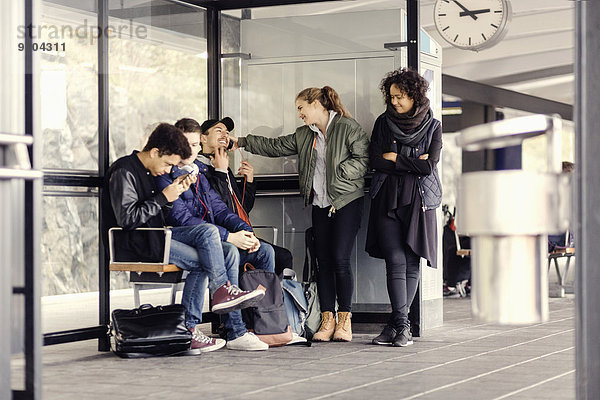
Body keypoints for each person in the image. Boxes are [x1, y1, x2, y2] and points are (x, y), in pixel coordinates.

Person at [101, 123, 266, 354]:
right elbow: (128, 219)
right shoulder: (124, 171)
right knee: (204, 255)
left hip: (158, 234)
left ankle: (224, 310)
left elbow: (164, 212)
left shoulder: (152, 170)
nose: (169, 169)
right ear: (155, 151)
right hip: (134, 241)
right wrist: (164, 197)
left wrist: (174, 194)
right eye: (169, 164)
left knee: (218, 242)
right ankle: (195, 323)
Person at [231, 86, 370, 342]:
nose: (299, 114)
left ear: (316, 103)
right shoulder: (305, 135)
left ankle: (345, 320)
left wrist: (339, 174)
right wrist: (242, 142)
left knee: (340, 259)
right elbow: (275, 146)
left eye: (300, 108)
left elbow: (363, 159)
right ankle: (326, 319)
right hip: (320, 205)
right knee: (324, 262)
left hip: (346, 202)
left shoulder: (348, 127)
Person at [155, 125, 275, 351]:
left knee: (265, 251)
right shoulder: (166, 176)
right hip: (185, 236)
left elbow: (221, 209)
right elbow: (181, 218)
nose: (190, 150)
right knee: (226, 250)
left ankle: (267, 326)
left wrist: (246, 231)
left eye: (195, 145)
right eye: (186, 145)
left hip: (211, 234)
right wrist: (229, 236)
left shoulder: (198, 173)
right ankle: (235, 329)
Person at [366, 68, 442, 348]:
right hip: (387, 198)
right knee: (395, 260)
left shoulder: (434, 126)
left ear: (414, 96)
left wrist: (396, 158)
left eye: (399, 97)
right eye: (391, 96)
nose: (394, 102)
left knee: (411, 262)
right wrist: (411, 162)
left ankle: (397, 326)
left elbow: (428, 166)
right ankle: (402, 325)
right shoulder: (382, 123)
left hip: (420, 202)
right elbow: (375, 160)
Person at [174, 117, 294, 276]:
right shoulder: (198, 169)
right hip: (218, 235)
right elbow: (216, 210)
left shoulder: (222, 164)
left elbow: (241, 208)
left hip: (235, 230)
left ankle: (269, 298)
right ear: (203, 138)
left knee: (279, 255)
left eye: (227, 132)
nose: (225, 135)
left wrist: (249, 182)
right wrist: (221, 173)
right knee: (265, 254)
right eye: (219, 131)